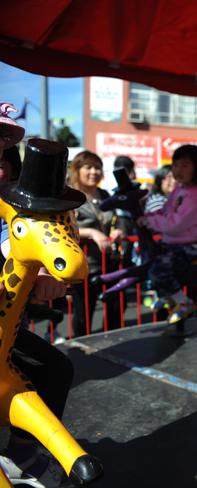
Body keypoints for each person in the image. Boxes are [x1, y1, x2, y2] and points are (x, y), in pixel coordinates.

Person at [0, 106, 80, 486]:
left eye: (4, 156)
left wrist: (44, 269)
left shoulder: (9, 203)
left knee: (54, 368)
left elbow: (16, 237)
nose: (0, 167)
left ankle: (21, 450)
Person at [140, 144, 197, 324]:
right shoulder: (180, 190)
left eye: (185, 165)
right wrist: (150, 217)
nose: (178, 169)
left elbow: (176, 224)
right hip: (175, 243)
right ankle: (169, 296)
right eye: (175, 165)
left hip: (187, 246)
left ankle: (183, 302)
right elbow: (166, 211)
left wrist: (150, 221)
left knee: (159, 270)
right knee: (152, 265)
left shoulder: (195, 196)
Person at [68, 150, 124, 337]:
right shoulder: (69, 195)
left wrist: (117, 230)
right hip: (84, 265)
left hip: (110, 262)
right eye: (88, 167)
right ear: (77, 169)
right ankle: (82, 355)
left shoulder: (104, 194)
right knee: (83, 314)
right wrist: (91, 233)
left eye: (98, 167)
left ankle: (113, 345)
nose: (94, 172)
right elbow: (62, 228)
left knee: (116, 309)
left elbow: (116, 218)